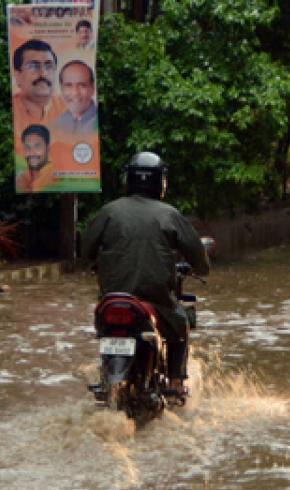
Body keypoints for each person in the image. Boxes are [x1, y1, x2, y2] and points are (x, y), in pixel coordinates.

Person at [81, 152, 211, 395]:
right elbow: (199, 260)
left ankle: (105, 378)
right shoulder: (170, 214)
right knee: (181, 322)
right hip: (156, 302)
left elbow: (84, 252)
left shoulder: (108, 212)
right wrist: (200, 266)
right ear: (160, 182)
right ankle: (175, 382)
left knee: (105, 327)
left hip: (112, 300)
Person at [11, 39, 66, 126]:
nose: (43, 74)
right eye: (33, 66)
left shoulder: (69, 109)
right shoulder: (11, 109)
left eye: (49, 66)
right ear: (17, 75)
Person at [52, 60, 97, 139]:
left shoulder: (104, 123)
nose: (75, 93)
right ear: (61, 89)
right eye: (68, 85)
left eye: (82, 85)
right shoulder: (55, 126)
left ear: (92, 89)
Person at [16, 124, 55, 192]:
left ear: (48, 148)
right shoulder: (22, 177)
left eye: (37, 147)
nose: (31, 153)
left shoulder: (55, 175)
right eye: (27, 147)